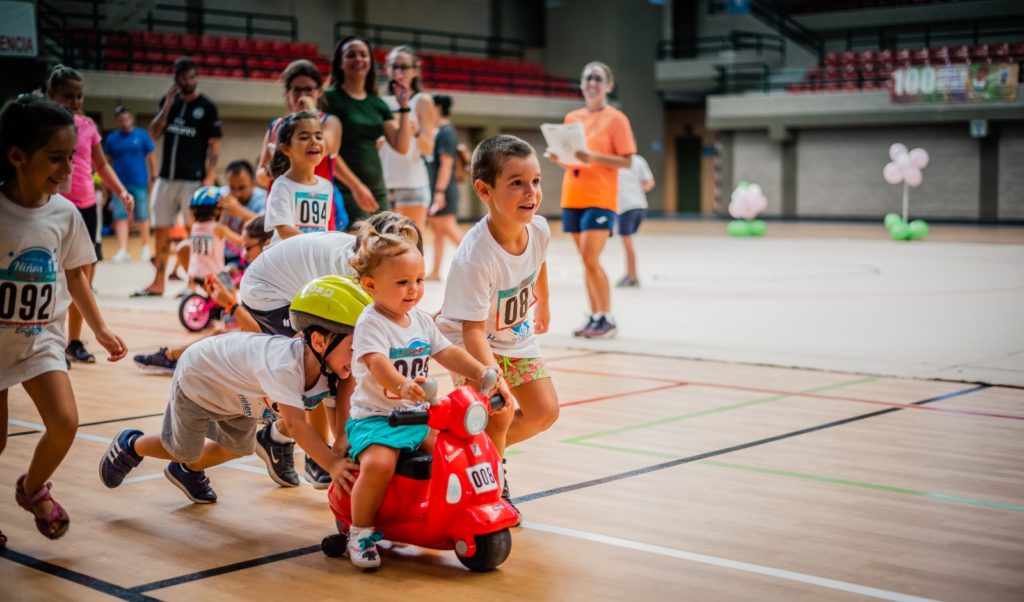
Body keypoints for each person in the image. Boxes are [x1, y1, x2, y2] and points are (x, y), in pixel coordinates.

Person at [99, 276, 366, 505]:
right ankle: (131, 446)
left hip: (239, 395)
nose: (358, 358)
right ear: (320, 341)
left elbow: (343, 409)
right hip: (200, 378)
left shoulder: (336, 368)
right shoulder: (285, 365)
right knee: (182, 448)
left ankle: (187, 471)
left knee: (240, 447)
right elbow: (296, 425)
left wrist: (343, 446)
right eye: (354, 348)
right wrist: (332, 464)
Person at [0, 97, 128, 545]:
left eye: (71, 158)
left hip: (39, 340)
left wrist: (99, 328)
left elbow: (76, 274)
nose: (68, 168)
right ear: (17, 156)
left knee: (65, 423)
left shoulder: (65, 213)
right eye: (55, 158)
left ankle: (32, 488)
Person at [345, 217, 501, 568]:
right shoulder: (372, 322)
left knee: (456, 452)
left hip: (419, 417)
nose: (413, 289)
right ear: (370, 284)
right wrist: (402, 385)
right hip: (377, 420)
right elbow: (376, 363)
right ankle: (360, 532)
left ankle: (452, 510)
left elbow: (447, 352)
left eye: (418, 280)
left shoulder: (421, 321)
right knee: (380, 464)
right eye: (402, 282)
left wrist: (479, 370)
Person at [238, 212, 423, 488]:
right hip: (267, 292)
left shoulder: (375, 266)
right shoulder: (350, 276)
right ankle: (321, 458)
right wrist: (344, 446)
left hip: (290, 280)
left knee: (342, 366)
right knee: (324, 362)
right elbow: (354, 361)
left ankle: (276, 438)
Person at [436, 134, 556, 520]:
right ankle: (491, 477)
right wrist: (491, 376)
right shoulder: (475, 257)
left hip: (515, 337)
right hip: (471, 343)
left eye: (535, 181)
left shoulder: (538, 229)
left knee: (544, 412)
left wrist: (545, 301)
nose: (530, 192)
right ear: (484, 190)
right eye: (517, 182)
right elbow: (471, 331)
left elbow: (539, 264)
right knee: (499, 413)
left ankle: (467, 446)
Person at [45, 66, 135, 365]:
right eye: (68, 96)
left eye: (80, 96)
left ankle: (73, 340)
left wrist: (121, 190)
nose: (75, 102)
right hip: (51, 204)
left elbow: (101, 164)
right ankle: (49, 342)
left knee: (82, 275)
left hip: (84, 206)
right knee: (51, 275)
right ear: (51, 95)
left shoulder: (87, 126)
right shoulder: (41, 126)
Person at [546, 61, 636, 339]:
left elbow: (627, 160)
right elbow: (574, 161)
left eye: (597, 78)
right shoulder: (573, 117)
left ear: (608, 85)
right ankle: (595, 316)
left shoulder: (616, 119)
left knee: (591, 257)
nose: (591, 82)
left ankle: (607, 317)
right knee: (586, 262)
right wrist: (559, 158)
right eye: (587, 78)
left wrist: (594, 157)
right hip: (573, 195)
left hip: (600, 197)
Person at [134, 216, 272, 375]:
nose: (244, 254)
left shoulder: (270, 278)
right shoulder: (263, 272)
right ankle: (174, 356)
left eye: (247, 248)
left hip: (270, 349)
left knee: (226, 336)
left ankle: (174, 357)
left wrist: (231, 305)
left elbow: (261, 331)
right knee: (222, 334)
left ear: (266, 243)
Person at [135, 56, 222, 297]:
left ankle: (193, 284)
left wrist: (210, 177)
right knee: (161, 229)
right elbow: (153, 134)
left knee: (197, 232)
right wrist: (167, 104)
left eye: (192, 76)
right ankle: (158, 282)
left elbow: (214, 145)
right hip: (166, 178)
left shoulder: (207, 107)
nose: (188, 81)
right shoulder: (169, 102)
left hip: (193, 180)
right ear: (176, 78)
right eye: (183, 76)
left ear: (197, 77)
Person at [324, 35, 413, 225]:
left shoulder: (377, 103)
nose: (358, 59)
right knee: (354, 247)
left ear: (370, 63)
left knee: (379, 246)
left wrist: (404, 106)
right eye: (351, 55)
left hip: (377, 189)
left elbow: (402, 145)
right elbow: (328, 151)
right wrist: (356, 186)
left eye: (363, 55)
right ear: (340, 63)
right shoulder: (329, 99)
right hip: (345, 188)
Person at [255, 60, 345, 231]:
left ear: (319, 92)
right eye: (296, 89)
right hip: (285, 203)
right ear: (287, 93)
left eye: (308, 89)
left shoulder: (329, 121)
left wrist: (311, 114)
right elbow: (259, 177)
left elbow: (326, 147)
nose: (302, 95)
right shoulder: (276, 126)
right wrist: (274, 165)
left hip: (317, 203)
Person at [379, 46, 436, 232]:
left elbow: (428, 149)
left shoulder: (421, 101)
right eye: (394, 66)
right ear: (386, 69)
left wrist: (416, 131)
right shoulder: (381, 102)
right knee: (382, 248)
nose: (398, 72)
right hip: (382, 183)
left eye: (404, 67)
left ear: (415, 70)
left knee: (411, 247)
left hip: (412, 184)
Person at [263, 111, 334, 245]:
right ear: (285, 148)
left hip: (310, 258)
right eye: (304, 137)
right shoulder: (282, 185)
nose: (314, 141)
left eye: (319, 136)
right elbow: (284, 230)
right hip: (284, 260)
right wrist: (318, 245)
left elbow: (324, 229)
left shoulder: (326, 186)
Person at [104, 105, 157, 264]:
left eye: (127, 118)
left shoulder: (142, 136)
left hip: (140, 182)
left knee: (142, 215)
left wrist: (153, 178)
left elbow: (151, 157)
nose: (124, 122)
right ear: (117, 121)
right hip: (119, 185)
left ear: (131, 118)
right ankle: (123, 249)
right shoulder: (112, 139)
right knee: (120, 216)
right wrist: (107, 186)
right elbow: (105, 162)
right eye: (121, 119)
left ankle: (145, 247)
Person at [425, 94, 463, 280]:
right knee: (438, 232)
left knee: (449, 230)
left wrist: (439, 192)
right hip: (438, 190)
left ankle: (483, 266)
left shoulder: (446, 133)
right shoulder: (438, 131)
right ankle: (435, 271)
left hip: (444, 190)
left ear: (438, 107)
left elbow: (446, 165)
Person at [183, 186, 243, 291]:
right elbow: (240, 241)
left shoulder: (194, 227)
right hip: (214, 274)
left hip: (194, 273)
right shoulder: (218, 228)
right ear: (217, 211)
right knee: (232, 294)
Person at [616, 154, 655, 287]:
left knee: (627, 244)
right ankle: (629, 273)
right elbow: (649, 183)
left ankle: (632, 276)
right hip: (640, 206)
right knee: (628, 242)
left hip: (625, 207)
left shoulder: (612, 161)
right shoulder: (639, 160)